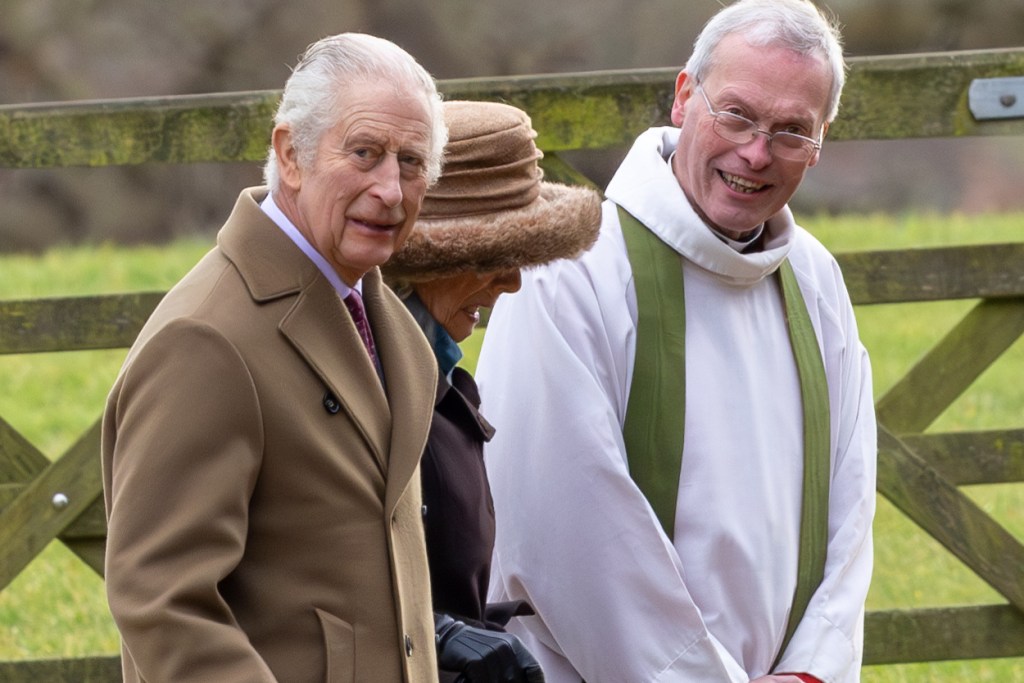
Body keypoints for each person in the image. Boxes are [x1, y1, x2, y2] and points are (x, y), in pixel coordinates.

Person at [474, 1, 878, 682]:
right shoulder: (574, 269)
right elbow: (568, 532)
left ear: (821, 139)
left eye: (791, 131)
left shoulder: (814, 280)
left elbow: (853, 500)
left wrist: (814, 667)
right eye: (738, 114)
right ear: (685, 96)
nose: (756, 152)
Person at [101, 33, 450, 683]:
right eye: (365, 153)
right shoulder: (207, 339)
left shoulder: (387, 322)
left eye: (411, 162)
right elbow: (160, 600)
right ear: (290, 154)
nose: (391, 191)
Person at [383, 99, 603, 683]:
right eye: (490, 258)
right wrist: (440, 634)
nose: (511, 281)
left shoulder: (436, 369)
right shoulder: (365, 387)